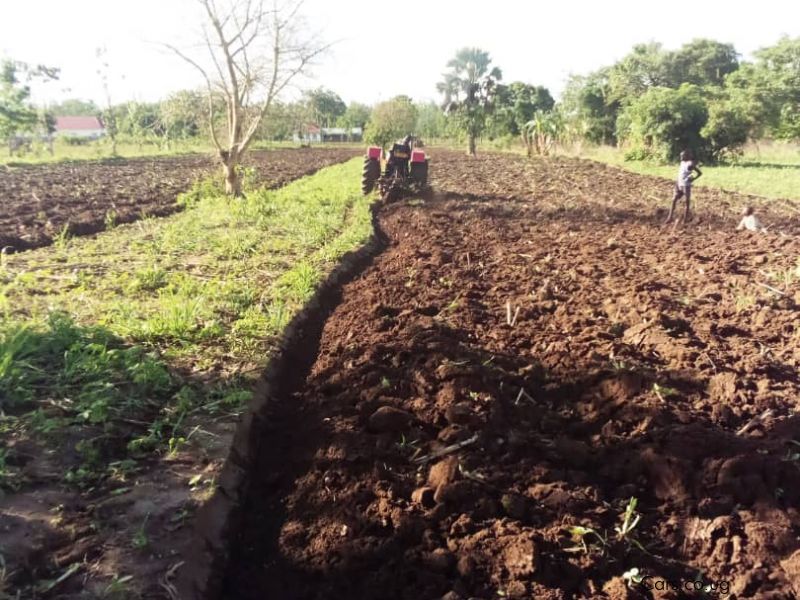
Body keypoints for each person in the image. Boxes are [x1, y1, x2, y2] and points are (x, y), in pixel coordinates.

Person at [665, 149, 702, 224]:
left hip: (685, 185)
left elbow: (699, 173)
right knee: (674, 199)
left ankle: (685, 219)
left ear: (687, 156)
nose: (681, 157)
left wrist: (693, 179)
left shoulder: (690, 164)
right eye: (681, 156)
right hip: (678, 183)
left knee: (687, 202)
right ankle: (670, 217)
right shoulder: (682, 162)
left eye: (682, 156)